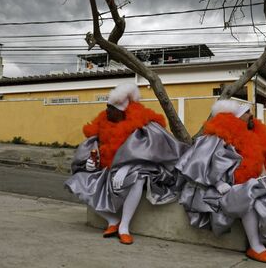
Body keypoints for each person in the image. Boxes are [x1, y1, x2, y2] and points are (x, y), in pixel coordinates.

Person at [176, 100, 266, 264]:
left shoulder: (252, 135)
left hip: (246, 183)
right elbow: (202, 162)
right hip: (216, 188)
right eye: (246, 112)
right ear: (236, 117)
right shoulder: (217, 137)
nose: (251, 115)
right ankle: (256, 246)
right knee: (249, 196)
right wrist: (218, 183)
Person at [65, 83, 186, 245]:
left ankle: (124, 226)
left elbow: (149, 153)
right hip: (106, 170)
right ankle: (113, 221)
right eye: (107, 106)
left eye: (111, 108)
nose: (107, 111)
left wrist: (127, 166)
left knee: (138, 178)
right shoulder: (102, 123)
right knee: (76, 182)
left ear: (122, 111)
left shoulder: (143, 127)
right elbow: (93, 149)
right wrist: (89, 162)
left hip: (137, 169)